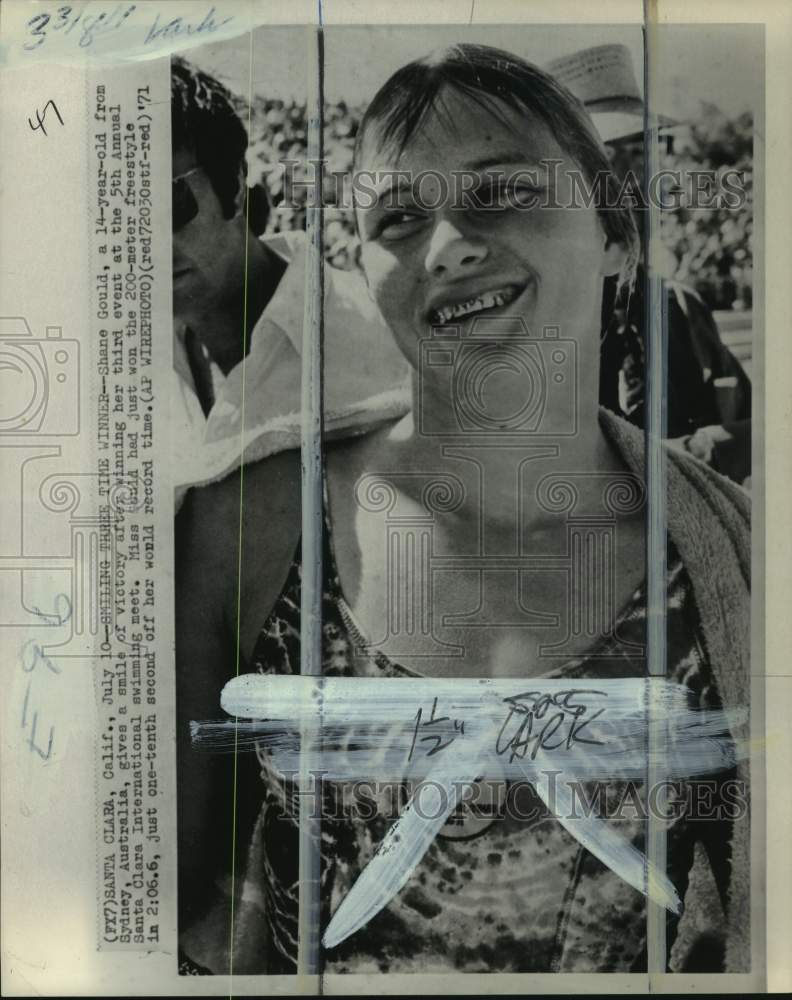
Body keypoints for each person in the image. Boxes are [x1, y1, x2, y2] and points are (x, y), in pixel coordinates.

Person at [176, 44, 750, 975]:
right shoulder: (253, 523)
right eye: (398, 217)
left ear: (615, 230)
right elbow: (164, 907)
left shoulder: (727, 557)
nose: (446, 245)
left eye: (503, 191)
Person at [170, 58, 408, 497]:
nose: (140, 244)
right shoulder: (122, 364)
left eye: (169, 203)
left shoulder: (385, 339)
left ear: (234, 186)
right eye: (115, 220)